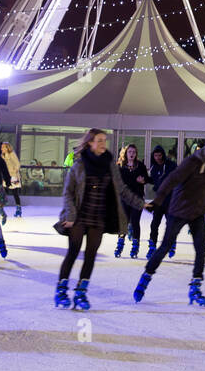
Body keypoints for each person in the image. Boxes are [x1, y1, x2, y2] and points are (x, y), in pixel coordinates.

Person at [133, 130, 205, 307]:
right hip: (179, 210)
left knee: (201, 249)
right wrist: (159, 200)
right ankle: (145, 279)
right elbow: (173, 179)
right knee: (165, 246)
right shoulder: (193, 162)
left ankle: (195, 287)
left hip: (197, 212)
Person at [56, 129, 145, 309]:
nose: (103, 143)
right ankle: (61, 291)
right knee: (73, 251)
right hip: (79, 217)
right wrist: (71, 215)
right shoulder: (79, 164)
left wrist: (141, 204)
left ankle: (81, 292)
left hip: (98, 217)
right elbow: (68, 193)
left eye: (104, 140)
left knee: (91, 255)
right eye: (99, 140)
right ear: (90, 143)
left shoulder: (110, 164)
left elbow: (122, 189)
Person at [116, 144, 148, 258]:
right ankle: (120, 244)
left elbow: (147, 178)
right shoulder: (120, 166)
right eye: (130, 151)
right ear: (125, 153)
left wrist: (143, 180)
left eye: (134, 152)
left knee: (135, 222)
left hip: (137, 198)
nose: (132, 154)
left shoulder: (140, 166)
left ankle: (135, 246)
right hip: (124, 198)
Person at [146, 145, 177, 259]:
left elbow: (175, 178)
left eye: (159, 155)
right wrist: (145, 180)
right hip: (159, 201)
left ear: (163, 155)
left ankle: (172, 244)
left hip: (170, 201)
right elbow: (155, 180)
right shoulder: (154, 168)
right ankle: (152, 246)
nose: (158, 157)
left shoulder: (171, 165)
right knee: (154, 224)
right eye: (155, 155)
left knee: (171, 224)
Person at [0, 142, 23, 218]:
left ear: (7, 148)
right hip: (6, 177)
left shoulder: (12, 154)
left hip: (13, 177)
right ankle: (0, 209)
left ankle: (18, 209)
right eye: (1, 147)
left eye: (3, 147)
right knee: (3, 193)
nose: (1, 148)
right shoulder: (2, 156)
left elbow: (17, 164)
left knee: (15, 193)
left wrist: (13, 172)